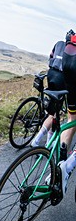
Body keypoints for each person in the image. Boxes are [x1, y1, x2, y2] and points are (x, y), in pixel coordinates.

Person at [32, 30, 76, 194]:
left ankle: (59, 167)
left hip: (62, 69)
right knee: (66, 117)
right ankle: (67, 166)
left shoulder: (62, 43)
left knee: (70, 118)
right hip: (67, 72)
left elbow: (51, 57)